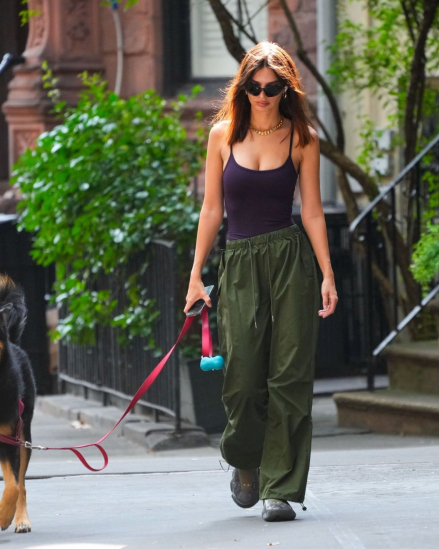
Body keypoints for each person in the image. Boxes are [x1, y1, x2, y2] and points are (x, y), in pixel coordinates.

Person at [184, 40, 338, 522]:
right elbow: (211, 210)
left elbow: (312, 211)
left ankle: (280, 487)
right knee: (243, 379)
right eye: (255, 86)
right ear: (243, 86)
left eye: (273, 88)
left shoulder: (302, 137)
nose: (264, 95)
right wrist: (195, 276)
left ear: (285, 88)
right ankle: (244, 459)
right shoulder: (222, 136)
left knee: (290, 375)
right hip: (240, 263)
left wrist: (327, 272)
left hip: (290, 259)